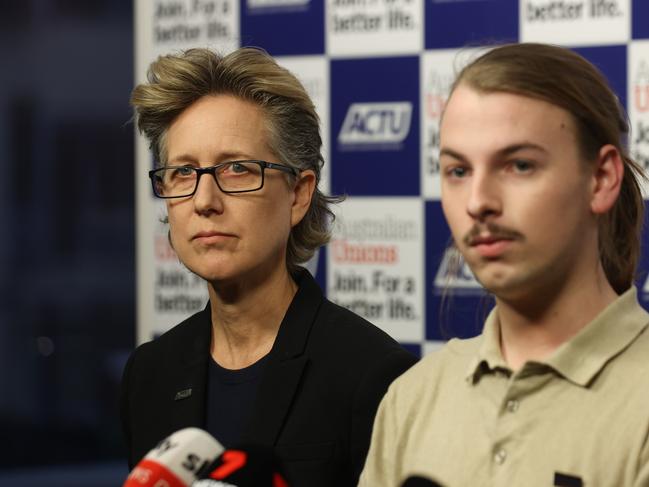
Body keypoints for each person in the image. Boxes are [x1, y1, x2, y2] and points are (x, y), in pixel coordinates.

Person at [120, 47, 417, 487]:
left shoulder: (371, 374)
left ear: (298, 195)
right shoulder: (148, 374)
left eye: (237, 168)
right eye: (183, 172)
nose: (204, 201)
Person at [359, 43, 649, 487]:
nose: (478, 202)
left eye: (519, 165)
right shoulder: (413, 396)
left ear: (601, 178)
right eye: (458, 171)